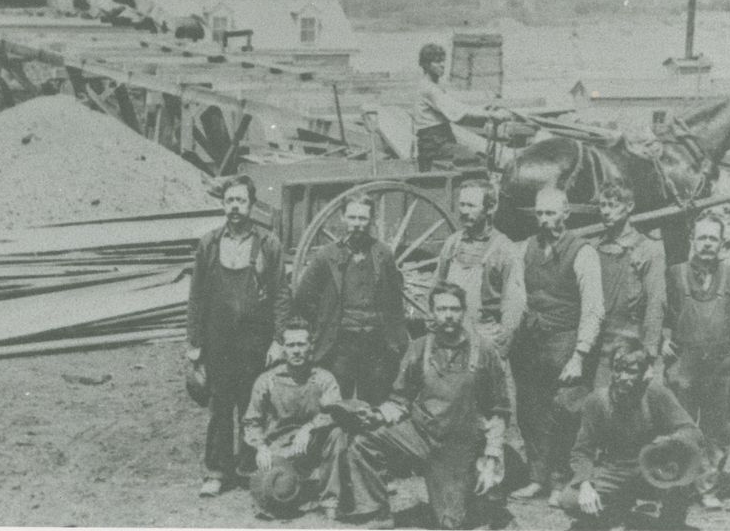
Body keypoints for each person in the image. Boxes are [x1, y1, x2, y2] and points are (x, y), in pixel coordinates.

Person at [336, 282, 511, 529]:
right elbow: (400, 398)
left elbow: (499, 411)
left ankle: (473, 499)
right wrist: (379, 415)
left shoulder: (484, 351)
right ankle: (376, 513)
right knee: (364, 442)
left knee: (451, 523)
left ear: (463, 311)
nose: (448, 315)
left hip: (459, 447)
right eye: (441, 309)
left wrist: (492, 455)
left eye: (454, 308)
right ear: (432, 312)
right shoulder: (419, 348)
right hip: (420, 435)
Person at [185, 175, 289, 497]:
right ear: (222, 204)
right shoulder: (210, 243)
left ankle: (246, 467)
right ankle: (217, 470)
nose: (235, 207)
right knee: (220, 405)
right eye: (229, 201)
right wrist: (194, 342)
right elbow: (196, 295)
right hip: (218, 340)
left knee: (251, 404)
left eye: (241, 201)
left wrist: (279, 339)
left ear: (252, 205)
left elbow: (281, 294)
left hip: (254, 341)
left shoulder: (268, 243)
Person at [509, 186, 604, 506]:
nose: (544, 220)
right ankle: (537, 478)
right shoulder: (526, 248)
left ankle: (562, 481)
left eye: (551, 213)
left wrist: (579, 355)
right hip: (532, 343)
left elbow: (594, 308)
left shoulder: (582, 252)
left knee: (564, 411)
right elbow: (517, 297)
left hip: (565, 341)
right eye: (539, 213)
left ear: (566, 213)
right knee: (530, 410)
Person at [558, 338, 703, 530]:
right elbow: (582, 450)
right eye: (617, 370)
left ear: (644, 374)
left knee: (682, 483)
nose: (622, 377)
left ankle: (669, 523)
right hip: (614, 469)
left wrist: (670, 441)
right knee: (570, 499)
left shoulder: (655, 394)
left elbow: (692, 431)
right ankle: (617, 512)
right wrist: (585, 483)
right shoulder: (597, 401)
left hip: (653, 466)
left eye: (631, 371)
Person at [663, 213, 730, 509]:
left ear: (722, 243)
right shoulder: (674, 275)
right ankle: (680, 487)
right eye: (701, 238)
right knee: (682, 427)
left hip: (721, 368)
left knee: (717, 431)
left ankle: (707, 488)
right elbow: (659, 313)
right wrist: (661, 340)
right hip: (684, 367)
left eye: (712, 239)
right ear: (692, 240)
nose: (706, 244)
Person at [292, 195, 409, 405]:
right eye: (352, 217)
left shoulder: (383, 253)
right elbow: (303, 297)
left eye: (363, 219)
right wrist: (325, 322)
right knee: (339, 404)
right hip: (341, 344)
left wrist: (398, 342)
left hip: (376, 343)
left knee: (374, 403)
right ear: (343, 218)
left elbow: (394, 301)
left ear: (372, 220)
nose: (357, 224)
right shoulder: (327, 255)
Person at [242, 318, 345, 517]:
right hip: (281, 451)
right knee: (279, 493)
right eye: (291, 345)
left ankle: (330, 499)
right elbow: (251, 421)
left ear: (310, 347)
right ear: (282, 349)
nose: (296, 350)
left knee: (338, 433)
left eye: (301, 344)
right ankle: (297, 491)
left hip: (313, 448)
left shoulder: (324, 379)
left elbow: (336, 411)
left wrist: (309, 428)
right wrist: (261, 447)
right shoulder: (267, 381)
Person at [433, 182, 525, 356]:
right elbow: (435, 289)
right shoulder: (452, 244)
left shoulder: (505, 250)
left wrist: (498, 349)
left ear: (490, 208)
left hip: (485, 341)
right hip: (450, 338)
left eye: (471, 205)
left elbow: (514, 307)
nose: (464, 211)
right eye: (462, 204)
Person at [588, 175, 667, 370]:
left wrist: (648, 352)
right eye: (602, 205)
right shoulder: (593, 247)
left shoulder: (648, 250)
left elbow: (656, 303)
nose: (605, 212)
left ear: (629, 207)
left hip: (629, 345)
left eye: (612, 205)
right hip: (594, 341)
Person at [413, 43, 506, 172]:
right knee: (476, 162)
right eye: (437, 62)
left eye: (443, 61)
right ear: (426, 65)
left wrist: (482, 108)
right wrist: (490, 115)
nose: (442, 65)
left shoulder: (432, 85)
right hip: (434, 144)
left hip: (438, 141)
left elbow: (456, 105)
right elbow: (455, 110)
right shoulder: (429, 89)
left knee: (478, 157)